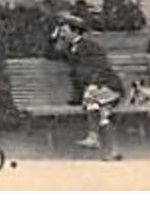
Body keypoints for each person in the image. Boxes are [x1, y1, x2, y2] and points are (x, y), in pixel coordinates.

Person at [48, 13, 125, 160]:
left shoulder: (92, 47)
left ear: (75, 31)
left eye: (64, 31)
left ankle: (93, 137)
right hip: (97, 92)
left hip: (109, 87)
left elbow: (102, 68)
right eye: (61, 32)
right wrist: (53, 37)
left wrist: (95, 85)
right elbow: (50, 54)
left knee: (91, 99)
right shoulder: (71, 49)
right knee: (102, 115)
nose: (62, 35)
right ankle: (113, 151)